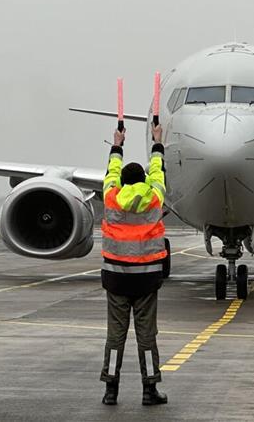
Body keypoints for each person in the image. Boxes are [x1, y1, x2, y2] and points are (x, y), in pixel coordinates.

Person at [99, 123, 168, 406]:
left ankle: (110, 391)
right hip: (146, 281)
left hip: (116, 280)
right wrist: (157, 143)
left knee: (115, 337)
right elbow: (158, 172)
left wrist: (117, 145)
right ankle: (149, 390)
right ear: (144, 181)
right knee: (147, 337)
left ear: (122, 183)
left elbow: (111, 173)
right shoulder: (154, 198)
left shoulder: (111, 198)